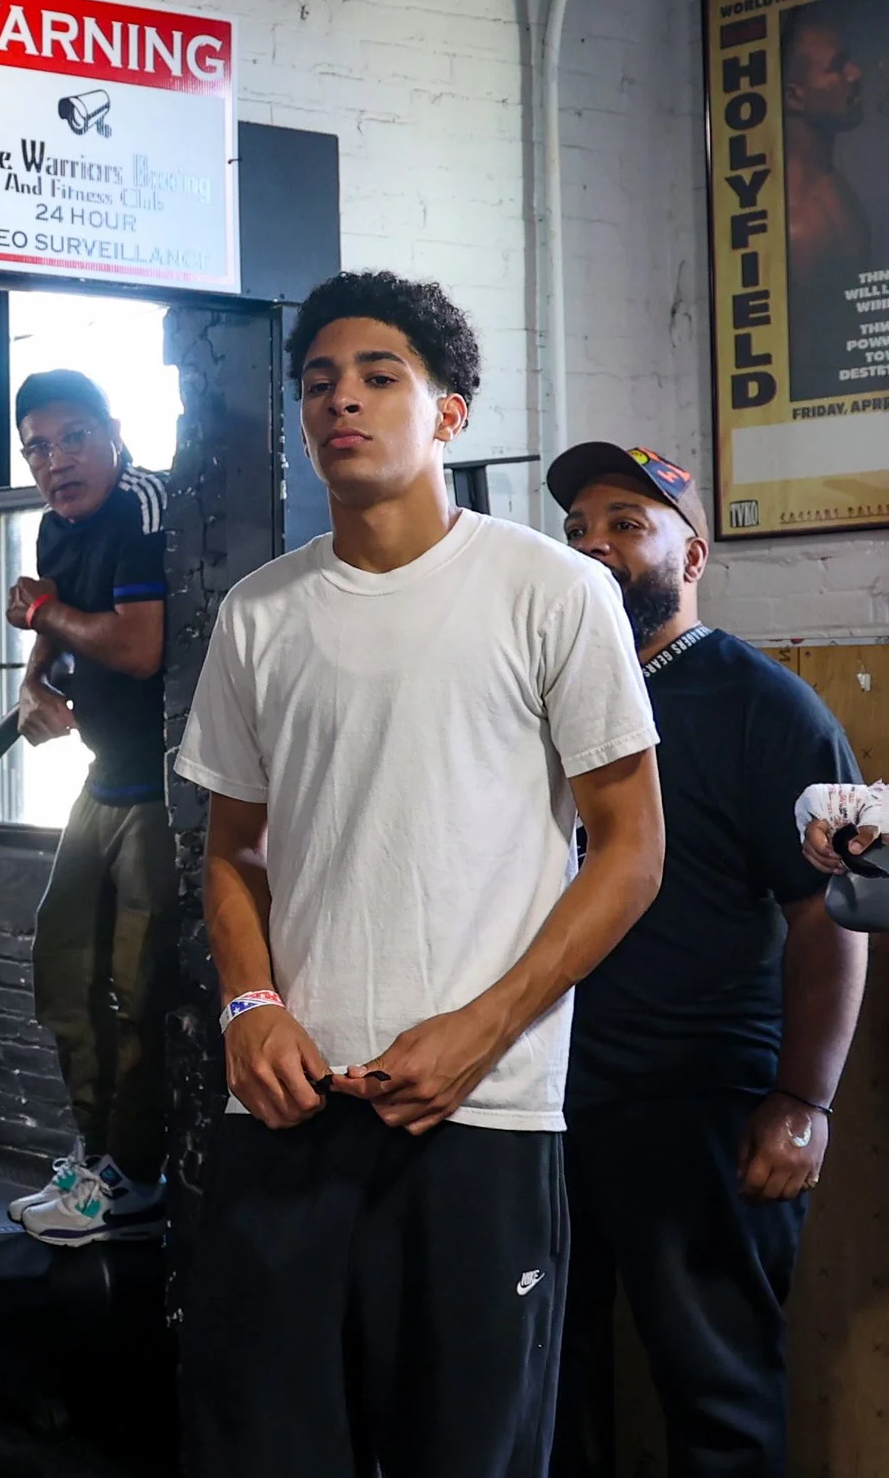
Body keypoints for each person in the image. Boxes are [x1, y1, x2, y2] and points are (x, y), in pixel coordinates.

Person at [172, 271, 667, 1478]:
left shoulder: (554, 591)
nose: (342, 400)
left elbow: (632, 848)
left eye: (378, 376)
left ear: (448, 413)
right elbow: (230, 849)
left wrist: (482, 1028)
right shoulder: (259, 612)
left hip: (480, 1115)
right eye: (319, 382)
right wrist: (250, 1003)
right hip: (288, 1115)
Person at [546, 441, 868, 1478]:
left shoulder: (762, 706)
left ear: (691, 557)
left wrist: (802, 1099)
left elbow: (832, 913)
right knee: (545, 1380)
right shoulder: (540, 697)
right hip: (540, 1095)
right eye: (578, 530)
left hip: (699, 1104)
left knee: (715, 1394)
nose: (594, 548)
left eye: (625, 526)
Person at [0, 369, 173, 1246]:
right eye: (35, 447)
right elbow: (44, 630)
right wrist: (31, 688)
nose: (53, 461)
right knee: (62, 970)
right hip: (102, 780)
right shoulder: (51, 526)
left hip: (166, 790)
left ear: (112, 431)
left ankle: (136, 1175)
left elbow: (139, 649)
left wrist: (49, 612)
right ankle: (96, 1157)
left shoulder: (142, 503)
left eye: (69, 438)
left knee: (143, 989)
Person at [782, 8, 873, 396]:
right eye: (837, 67)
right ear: (794, 97)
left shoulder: (832, 188)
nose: (855, 74)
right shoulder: (798, 226)